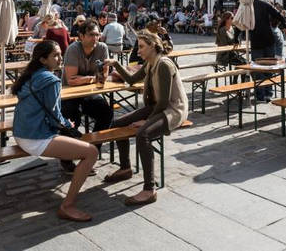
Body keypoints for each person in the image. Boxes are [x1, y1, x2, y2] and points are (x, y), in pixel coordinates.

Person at [12, 40, 98, 222]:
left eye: (61, 53)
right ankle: (67, 205)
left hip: (21, 134)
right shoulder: (51, 80)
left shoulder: (30, 75)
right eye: (56, 55)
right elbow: (55, 116)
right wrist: (69, 124)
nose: (60, 58)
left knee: (81, 143)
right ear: (43, 59)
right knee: (91, 152)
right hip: (36, 137)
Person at [103, 32, 188, 206]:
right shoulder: (150, 63)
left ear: (152, 46)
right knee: (118, 123)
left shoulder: (163, 64)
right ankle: (126, 167)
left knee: (143, 134)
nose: (138, 50)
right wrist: (116, 64)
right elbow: (132, 79)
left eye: (141, 46)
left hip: (173, 110)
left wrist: (145, 121)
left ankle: (149, 189)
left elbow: (164, 102)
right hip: (157, 107)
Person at [60, 21, 113, 172]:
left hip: (89, 93)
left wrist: (87, 79)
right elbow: (71, 80)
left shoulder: (102, 48)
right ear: (81, 36)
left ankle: (91, 152)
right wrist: (92, 78)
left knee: (107, 113)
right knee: (71, 119)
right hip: (69, 93)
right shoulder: (73, 49)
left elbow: (103, 76)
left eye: (97, 34)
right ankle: (66, 158)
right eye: (91, 35)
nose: (95, 38)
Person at [249, 0, 286, 101]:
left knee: (258, 69)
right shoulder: (263, 4)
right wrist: (285, 25)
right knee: (268, 68)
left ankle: (260, 95)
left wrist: (236, 37)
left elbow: (240, 23)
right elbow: (278, 14)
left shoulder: (245, 5)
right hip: (268, 40)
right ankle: (268, 93)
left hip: (256, 41)